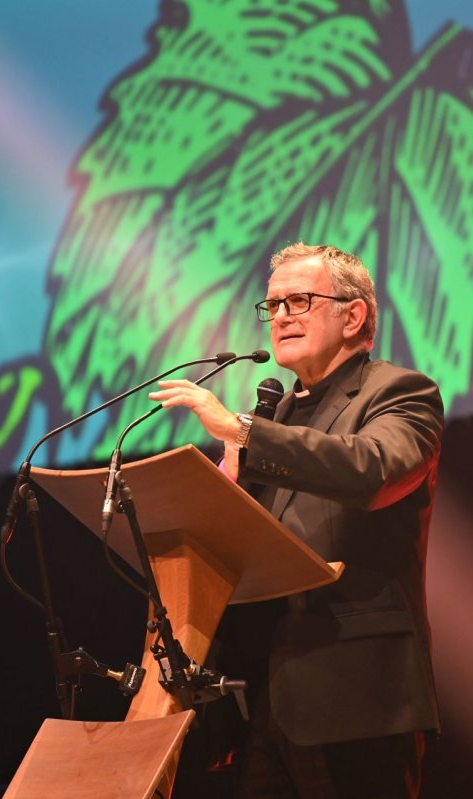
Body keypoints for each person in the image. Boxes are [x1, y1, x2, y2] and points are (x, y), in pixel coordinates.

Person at [148, 243, 442, 797]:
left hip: (356, 698)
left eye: (299, 301)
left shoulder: (400, 392)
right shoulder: (277, 415)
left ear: (353, 315)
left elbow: (373, 470)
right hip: (263, 698)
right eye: (273, 305)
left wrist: (242, 433)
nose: (280, 316)